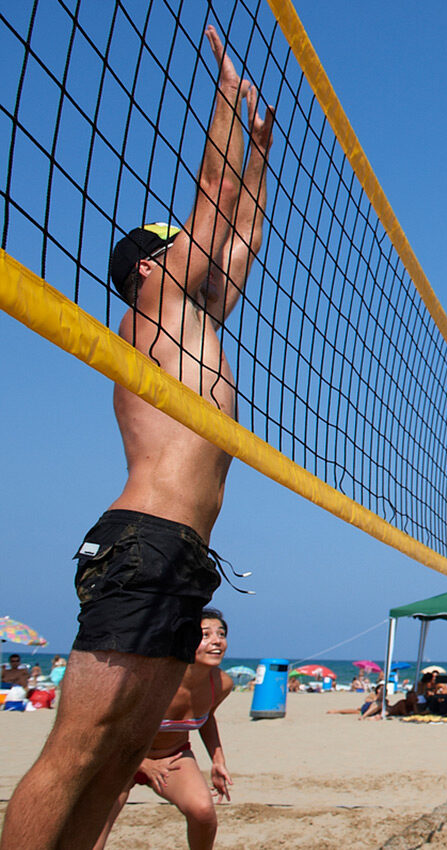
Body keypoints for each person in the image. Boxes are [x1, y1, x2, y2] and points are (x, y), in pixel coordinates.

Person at [0, 28, 274, 850]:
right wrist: (228, 101)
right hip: (142, 543)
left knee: (121, 753)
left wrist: (258, 154)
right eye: (181, 250)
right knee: (77, 749)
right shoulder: (151, 314)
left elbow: (242, 231)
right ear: (149, 270)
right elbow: (215, 194)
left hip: (182, 553)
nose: (205, 260)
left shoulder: (191, 324)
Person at [93, 609, 235, 850]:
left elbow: (207, 717)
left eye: (221, 634)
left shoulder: (221, 683)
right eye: (205, 634)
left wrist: (217, 759)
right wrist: (143, 765)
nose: (216, 641)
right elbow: (107, 729)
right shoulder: (153, 680)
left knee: (203, 812)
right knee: (96, 828)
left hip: (173, 755)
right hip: (119, 759)